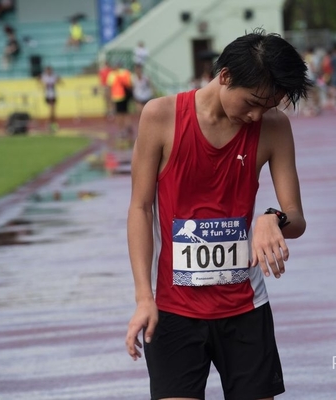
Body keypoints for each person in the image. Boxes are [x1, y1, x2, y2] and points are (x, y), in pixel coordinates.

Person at [125, 29, 309, 400]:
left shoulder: (273, 127)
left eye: (268, 105)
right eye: (252, 102)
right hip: (173, 309)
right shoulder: (160, 116)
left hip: (245, 308)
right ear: (224, 76)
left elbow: (296, 217)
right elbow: (140, 208)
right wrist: (144, 297)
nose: (257, 116)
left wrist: (271, 218)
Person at [107, 62, 133, 144]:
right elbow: (130, 84)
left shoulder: (113, 74)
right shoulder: (126, 72)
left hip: (118, 96)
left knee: (119, 114)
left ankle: (122, 129)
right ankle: (125, 128)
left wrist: (109, 98)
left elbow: (109, 86)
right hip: (124, 96)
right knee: (124, 113)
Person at [39, 66, 62, 132]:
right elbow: (41, 84)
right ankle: (51, 123)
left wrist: (57, 81)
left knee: (52, 111)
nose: (49, 72)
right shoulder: (44, 77)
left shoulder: (54, 76)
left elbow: (59, 81)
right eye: (47, 71)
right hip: (48, 95)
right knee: (52, 110)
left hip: (53, 95)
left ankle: (51, 124)